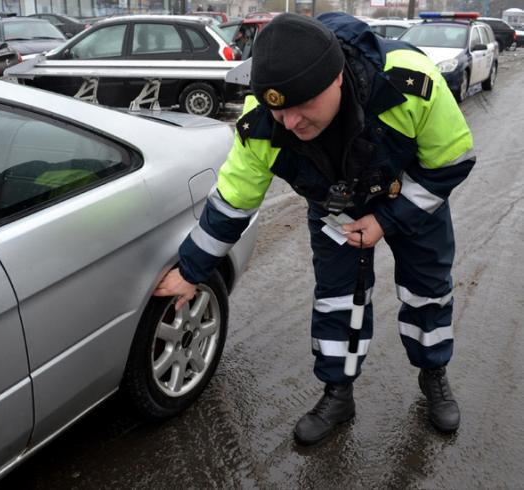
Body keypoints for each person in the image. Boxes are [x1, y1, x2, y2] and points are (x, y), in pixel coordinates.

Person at [153, 12, 475, 445]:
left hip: (410, 197)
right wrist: (190, 272)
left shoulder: (406, 82)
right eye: (278, 109)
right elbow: (233, 201)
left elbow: (452, 162)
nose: (290, 123)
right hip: (335, 207)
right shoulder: (262, 122)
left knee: (428, 289)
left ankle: (433, 372)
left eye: (303, 105)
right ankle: (338, 392)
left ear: (338, 78)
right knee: (337, 299)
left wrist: (385, 220)